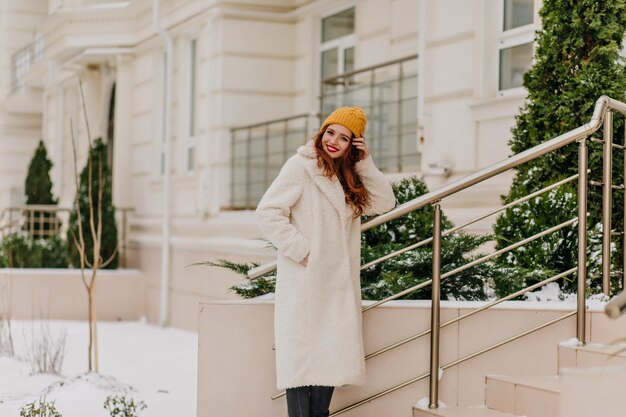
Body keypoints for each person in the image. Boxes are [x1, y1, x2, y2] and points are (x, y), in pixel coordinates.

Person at [255, 106, 396, 417]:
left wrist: (366, 163)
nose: (334, 141)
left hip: (335, 287)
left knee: (327, 367)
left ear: (353, 145)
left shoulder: (350, 176)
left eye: (345, 138)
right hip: (305, 281)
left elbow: (386, 201)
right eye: (331, 132)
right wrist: (301, 248)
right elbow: (267, 211)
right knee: (301, 366)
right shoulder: (300, 167)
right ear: (321, 133)